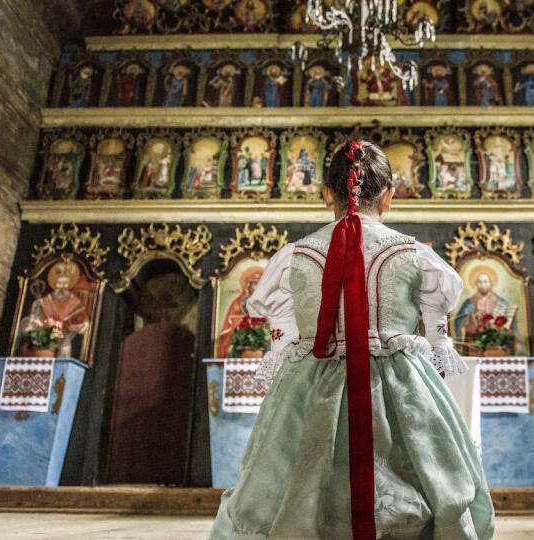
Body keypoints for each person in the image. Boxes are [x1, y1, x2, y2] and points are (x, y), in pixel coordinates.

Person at [210, 141, 494, 540]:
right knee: (427, 479)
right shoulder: (418, 256)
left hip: (311, 385)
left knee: (289, 484)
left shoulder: (293, 257)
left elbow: (288, 341)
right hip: (402, 385)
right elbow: (435, 339)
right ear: (390, 196)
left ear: (328, 194)